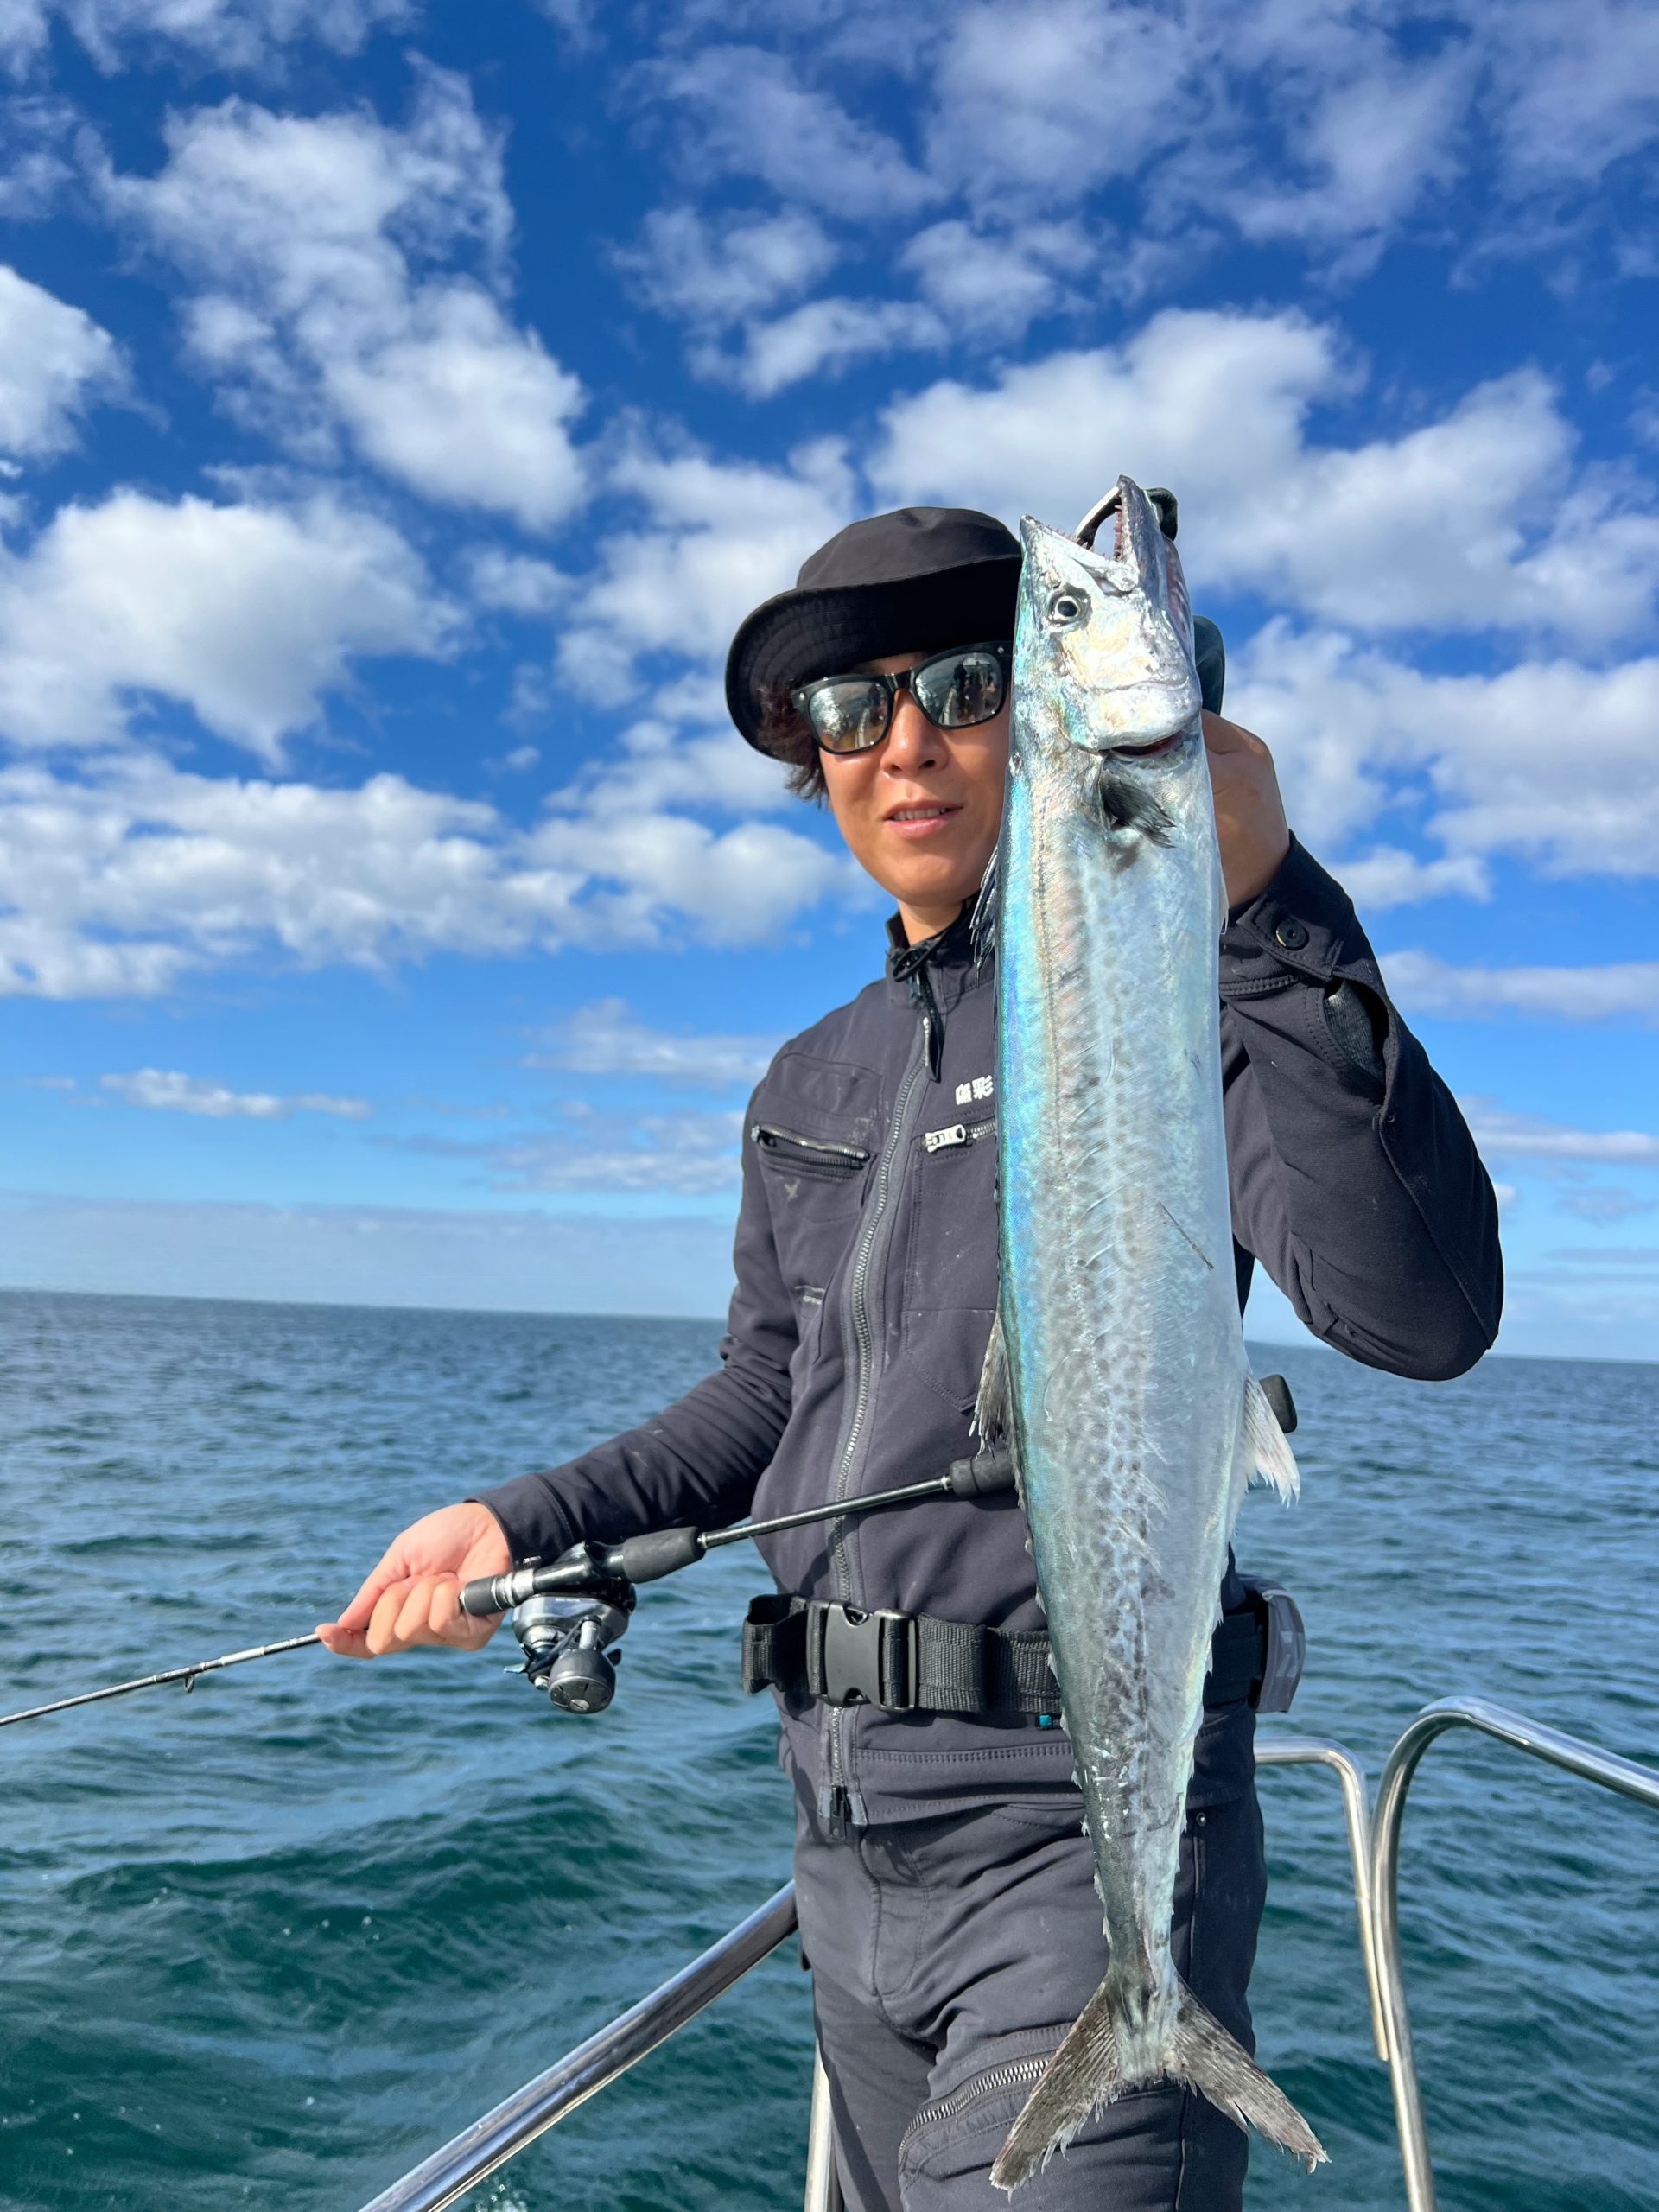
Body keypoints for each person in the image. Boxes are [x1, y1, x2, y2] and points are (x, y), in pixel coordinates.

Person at [320, 506, 1502, 2211]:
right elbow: (767, 1395)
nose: (905, 743)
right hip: (844, 1849)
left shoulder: (1183, 979)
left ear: (1038, 722)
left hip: (1076, 1852)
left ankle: (1155, 2007)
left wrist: (1272, 903)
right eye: (847, 708)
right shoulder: (810, 1076)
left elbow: (1423, 1312)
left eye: (962, 682)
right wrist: (519, 1519)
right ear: (813, 763)